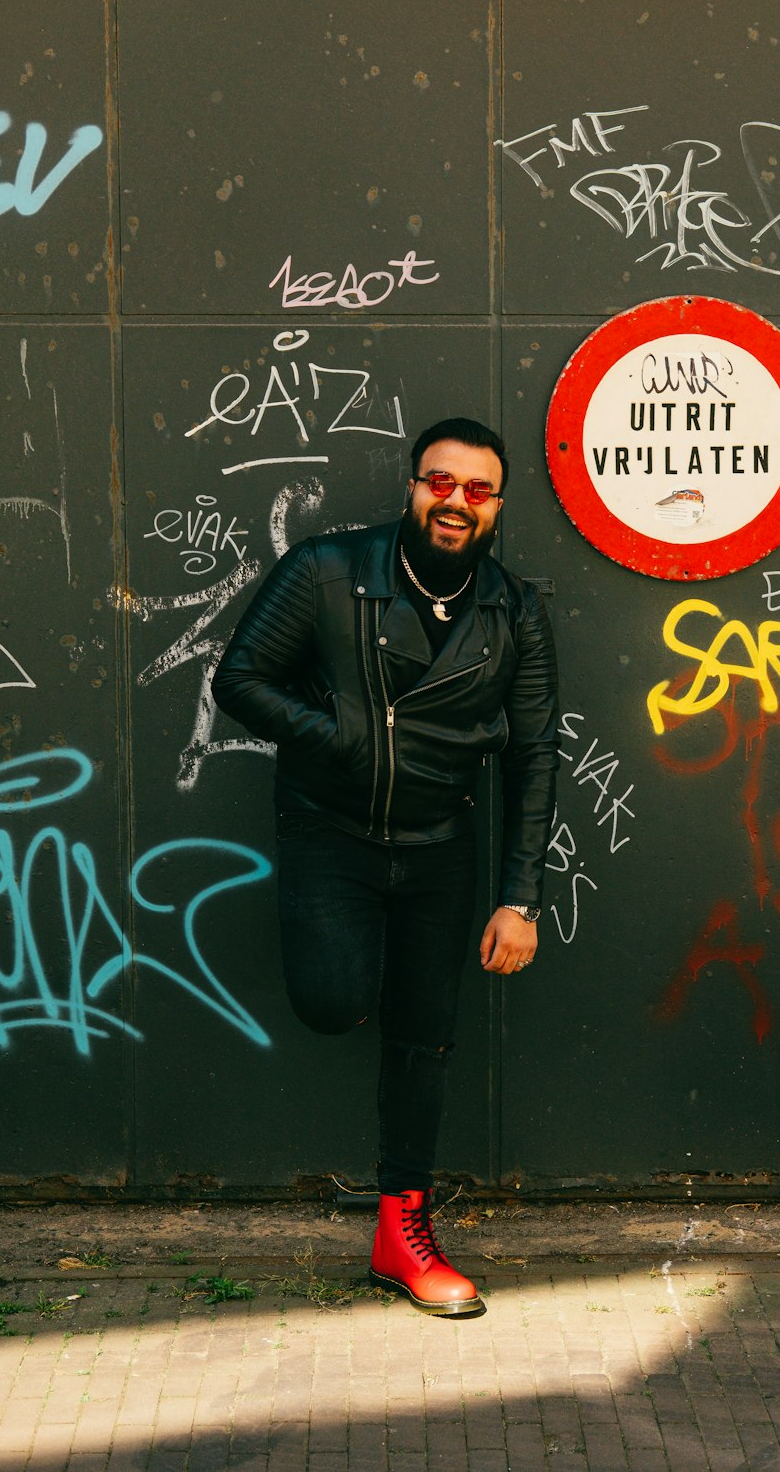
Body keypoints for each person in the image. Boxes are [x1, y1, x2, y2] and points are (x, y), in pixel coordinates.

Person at [212, 417, 558, 1317]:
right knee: (333, 1001)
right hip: (333, 831)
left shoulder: (513, 609)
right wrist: (340, 739)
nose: (456, 503)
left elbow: (535, 754)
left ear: (496, 506)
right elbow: (240, 677)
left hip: (443, 846)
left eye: (477, 490)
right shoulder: (329, 571)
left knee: (423, 1038)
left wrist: (519, 897)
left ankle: (401, 1230)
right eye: (440, 483)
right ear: (413, 486)